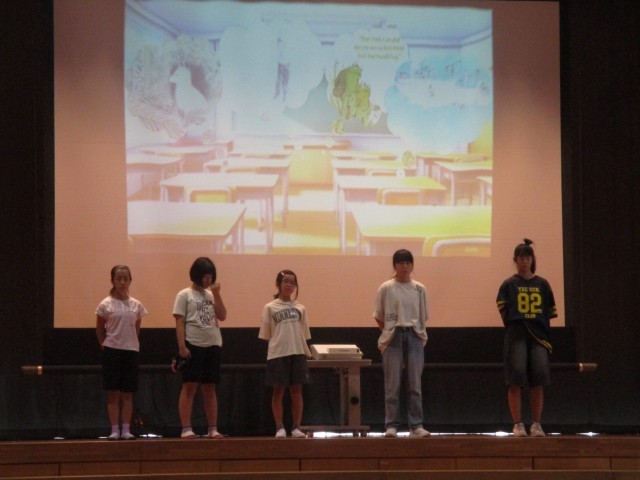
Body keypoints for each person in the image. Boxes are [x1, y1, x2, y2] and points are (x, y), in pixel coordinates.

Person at [497, 238, 557, 437]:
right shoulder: (508, 284)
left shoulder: (542, 284)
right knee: (515, 378)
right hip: (516, 334)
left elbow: (550, 311)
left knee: (538, 378)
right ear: (515, 260)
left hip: (539, 336)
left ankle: (537, 424)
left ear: (532, 260)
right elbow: (503, 309)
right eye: (521, 258)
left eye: (527, 258)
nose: (524, 262)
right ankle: (518, 424)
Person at [374, 249, 430, 438]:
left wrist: (417, 335)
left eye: (407, 262)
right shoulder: (386, 288)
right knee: (392, 385)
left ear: (412, 265)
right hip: (393, 337)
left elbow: (424, 316)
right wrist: (389, 332)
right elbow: (379, 316)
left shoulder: (420, 288)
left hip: (414, 335)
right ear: (395, 266)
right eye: (400, 263)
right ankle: (391, 425)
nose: (404, 266)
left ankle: (416, 425)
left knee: (415, 385)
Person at [173, 257, 227, 439]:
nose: (208, 280)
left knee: (210, 388)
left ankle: (212, 428)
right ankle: (186, 428)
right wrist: (182, 346)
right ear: (196, 275)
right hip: (192, 344)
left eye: (211, 276)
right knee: (189, 387)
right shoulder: (184, 295)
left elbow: (222, 316)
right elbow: (179, 322)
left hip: (212, 344)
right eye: (205, 276)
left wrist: (217, 294)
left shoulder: (211, 295)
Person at [96, 265, 147, 440]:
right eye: (119, 279)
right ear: (112, 281)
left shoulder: (136, 305)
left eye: (126, 278)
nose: (122, 282)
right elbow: (99, 330)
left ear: (130, 280)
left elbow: (137, 329)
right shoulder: (105, 304)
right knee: (113, 393)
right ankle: (114, 430)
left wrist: (130, 343)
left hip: (130, 351)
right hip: (112, 351)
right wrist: (106, 346)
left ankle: (126, 430)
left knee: (127, 393)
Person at [259, 270, 311, 438]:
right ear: (278, 284)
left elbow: (304, 334)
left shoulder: (301, 308)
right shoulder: (270, 307)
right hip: (278, 354)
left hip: (297, 352)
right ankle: (279, 427)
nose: (289, 285)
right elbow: (266, 334)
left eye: (292, 282)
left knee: (297, 391)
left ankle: (296, 427)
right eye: (286, 281)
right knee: (278, 391)